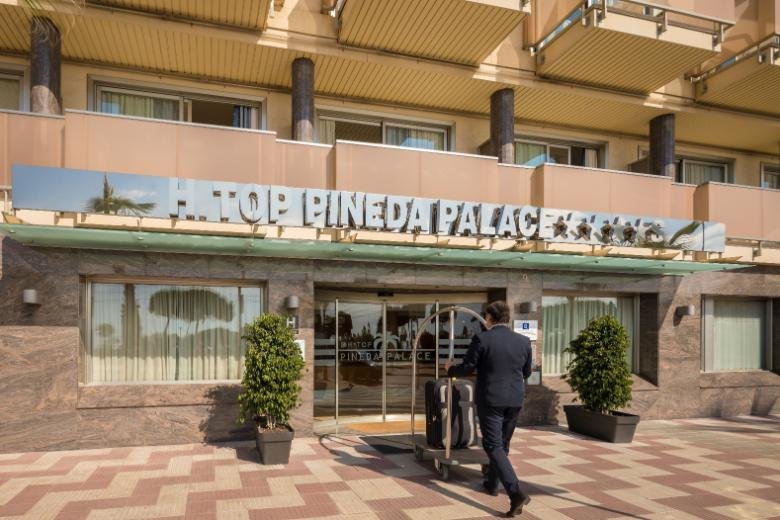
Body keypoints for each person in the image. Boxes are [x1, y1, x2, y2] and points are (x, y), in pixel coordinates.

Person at [445, 300, 533, 517]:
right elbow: (527, 372)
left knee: (493, 445)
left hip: (491, 399)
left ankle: (516, 493)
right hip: (515, 399)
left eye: (486, 317)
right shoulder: (523, 341)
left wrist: (450, 369)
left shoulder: (482, 338)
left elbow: (467, 368)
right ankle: (492, 483)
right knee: (502, 444)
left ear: (489, 318)